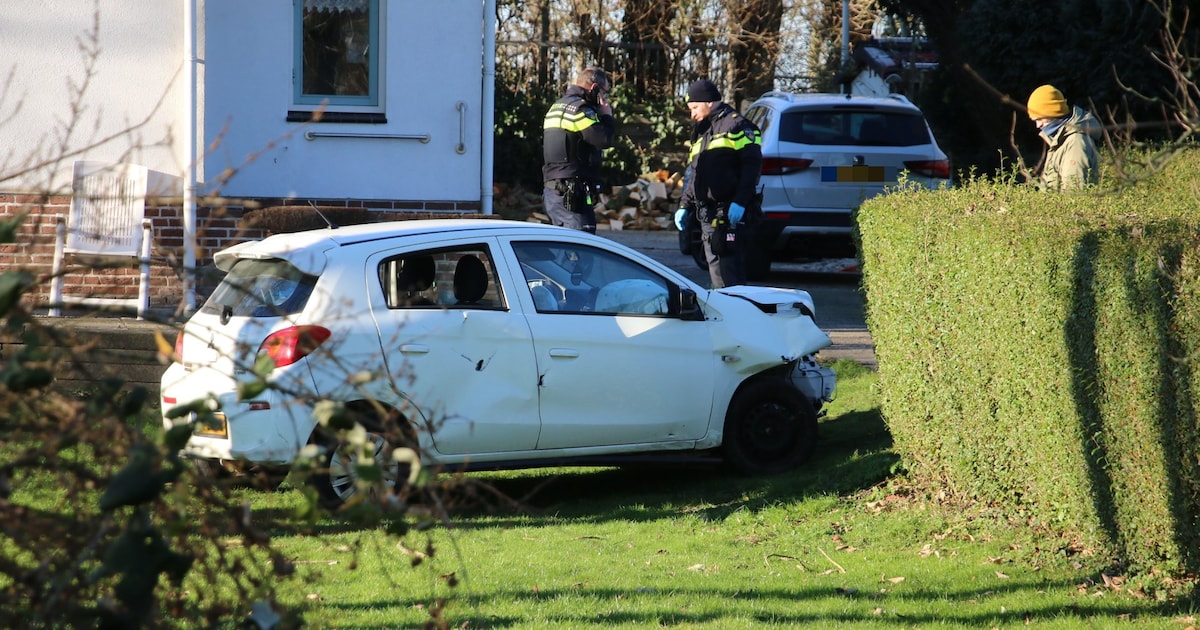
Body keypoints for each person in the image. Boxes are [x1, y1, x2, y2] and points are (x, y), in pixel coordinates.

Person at [674, 78, 763, 288]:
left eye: (695, 107)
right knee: (715, 272)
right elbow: (696, 172)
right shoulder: (701, 130)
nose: (692, 113)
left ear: (709, 102)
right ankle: (723, 315)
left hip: (729, 211)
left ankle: (737, 316)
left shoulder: (737, 125)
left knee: (730, 272)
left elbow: (752, 168)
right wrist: (685, 205)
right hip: (708, 214)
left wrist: (740, 201)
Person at [542, 66, 616, 233]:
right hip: (572, 195)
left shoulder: (556, 106)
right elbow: (603, 139)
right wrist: (606, 116)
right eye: (604, 93)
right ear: (594, 88)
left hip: (553, 193)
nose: (605, 99)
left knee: (563, 250)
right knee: (581, 250)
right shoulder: (580, 110)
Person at [1026, 84, 1101, 191]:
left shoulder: (1075, 143)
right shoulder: (1060, 141)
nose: (1038, 126)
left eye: (1040, 119)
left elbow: (1074, 196)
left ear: (1053, 113)